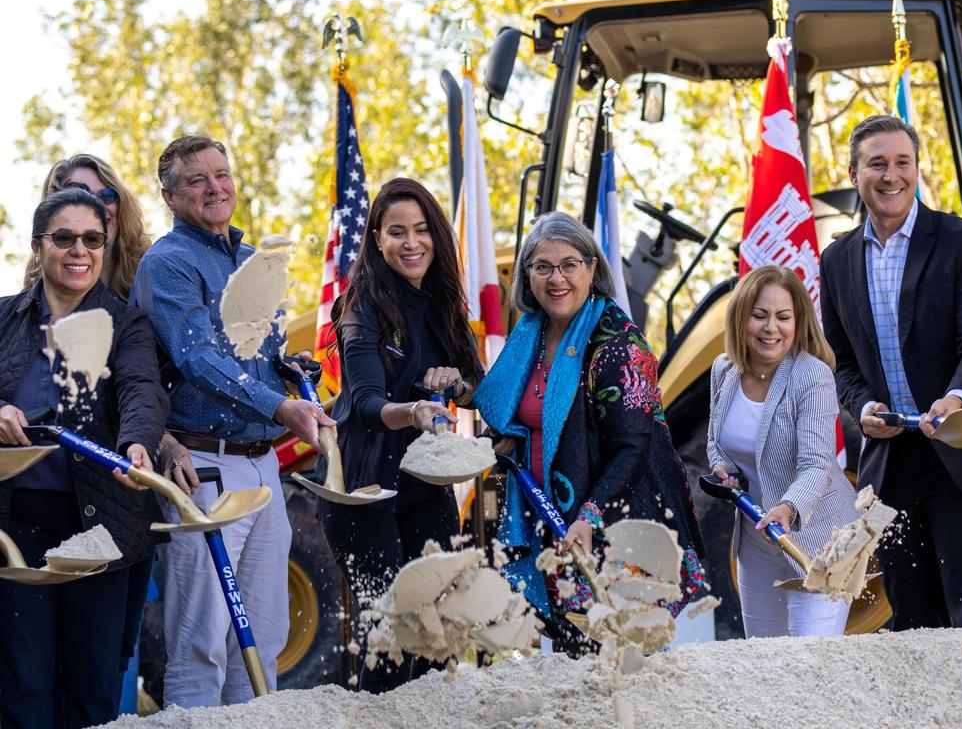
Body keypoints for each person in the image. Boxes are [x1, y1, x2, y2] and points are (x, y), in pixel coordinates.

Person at [130, 135, 334, 707]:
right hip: (204, 467)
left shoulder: (250, 262)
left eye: (221, 174)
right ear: (171, 197)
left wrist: (288, 374)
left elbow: (252, 357)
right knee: (201, 646)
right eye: (197, 180)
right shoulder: (167, 264)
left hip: (266, 466)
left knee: (263, 642)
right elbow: (196, 358)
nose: (215, 188)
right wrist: (277, 406)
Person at [819, 115, 962, 630]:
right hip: (893, 463)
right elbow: (844, 363)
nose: (891, 175)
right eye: (877, 164)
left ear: (917, 169)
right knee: (912, 622)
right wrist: (865, 408)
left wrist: (957, 399)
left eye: (902, 162)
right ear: (854, 174)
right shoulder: (836, 259)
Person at [474, 211, 705, 653]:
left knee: (619, 660)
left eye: (569, 265)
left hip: (615, 522)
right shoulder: (532, 335)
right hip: (554, 519)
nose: (555, 278)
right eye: (542, 266)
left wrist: (590, 515)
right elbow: (520, 415)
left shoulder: (616, 345)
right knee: (570, 658)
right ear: (527, 274)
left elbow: (632, 446)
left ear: (592, 268)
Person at [0, 188, 168, 728]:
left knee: (94, 688)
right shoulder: (3, 319)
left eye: (93, 239)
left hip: (101, 523)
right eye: (64, 237)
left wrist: (136, 443)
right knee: (22, 684)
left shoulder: (128, 324)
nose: (80, 250)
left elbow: (144, 390)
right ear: (37, 246)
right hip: (15, 524)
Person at [29, 152, 195, 699]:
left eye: (102, 199)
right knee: (30, 672)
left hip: (127, 489)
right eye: (67, 226)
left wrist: (150, 440)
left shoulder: (143, 287)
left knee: (105, 665)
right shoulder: (25, 308)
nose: (82, 238)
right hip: (50, 497)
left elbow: (144, 389)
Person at [318, 177, 482, 692]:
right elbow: (366, 404)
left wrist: (457, 382)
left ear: (436, 234)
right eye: (396, 232)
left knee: (438, 642)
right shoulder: (361, 306)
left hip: (425, 489)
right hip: (363, 489)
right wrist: (413, 411)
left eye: (420, 230)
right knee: (389, 647)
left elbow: (479, 388)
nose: (411, 243)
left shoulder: (444, 303)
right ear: (376, 239)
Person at [707, 266, 859, 637]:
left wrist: (789, 508)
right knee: (764, 666)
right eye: (759, 316)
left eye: (783, 317)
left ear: (798, 321)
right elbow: (715, 440)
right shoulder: (724, 370)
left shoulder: (812, 375)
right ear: (741, 318)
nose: (771, 328)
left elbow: (817, 464)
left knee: (811, 667)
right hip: (757, 545)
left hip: (819, 540)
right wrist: (721, 466)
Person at [25, 154, 151, 300]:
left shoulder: (153, 275)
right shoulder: (15, 311)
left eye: (106, 196)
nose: (96, 207)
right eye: (80, 196)